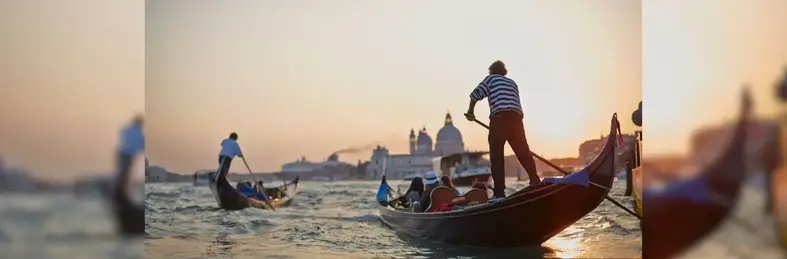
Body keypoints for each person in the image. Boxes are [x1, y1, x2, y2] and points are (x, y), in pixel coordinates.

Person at [464, 60, 540, 201]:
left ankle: (499, 193)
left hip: (499, 119)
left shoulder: (491, 79)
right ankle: (535, 180)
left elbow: (475, 94)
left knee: (497, 157)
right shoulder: (512, 83)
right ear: (504, 71)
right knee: (523, 152)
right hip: (516, 119)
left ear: (491, 71)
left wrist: (470, 112)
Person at [114, 114, 145, 235]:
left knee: (123, 176)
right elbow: (141, 144)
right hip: (128, 154)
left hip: (122, 153)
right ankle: (121, 191)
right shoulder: (137, 132)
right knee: (124, 175)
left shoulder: (127, 129)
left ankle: (120, 191)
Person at [214, 133, 245, 202]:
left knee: (221, 168)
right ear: (236, 138)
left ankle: (219, 177)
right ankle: (222, 178)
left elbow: (222, 144)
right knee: (225, 170)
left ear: (230, 137)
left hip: (221, 156)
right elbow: (239, 154)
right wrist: (241, 155)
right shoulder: (235, 144)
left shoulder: (225, 140)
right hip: (227, 158)